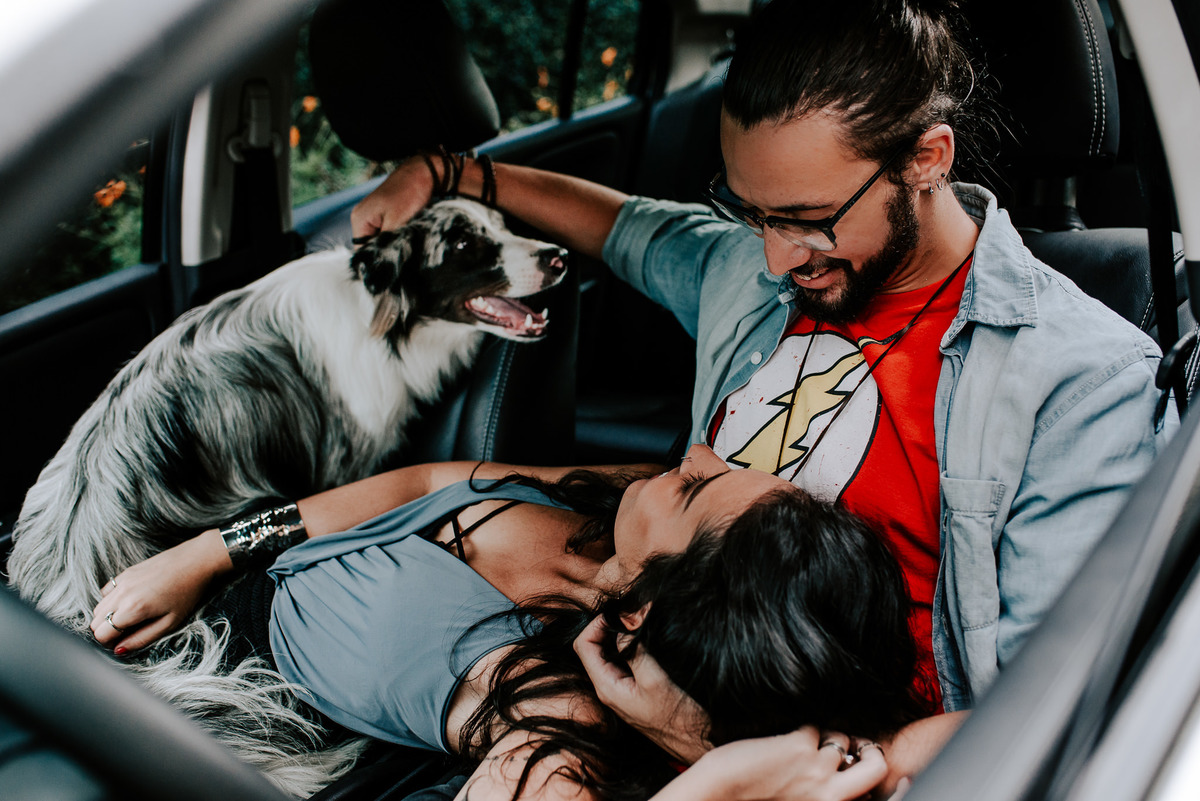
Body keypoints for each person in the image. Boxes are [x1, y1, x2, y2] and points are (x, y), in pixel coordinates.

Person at [350, 0, 1176, 790]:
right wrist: (449, 173)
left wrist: (720, 748)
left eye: (809, 218)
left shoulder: (1076, 382)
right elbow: (623, 225)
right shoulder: (748, 272)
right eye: (752, 214)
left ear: (927, 158)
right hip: (618, 723)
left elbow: (1060, 701)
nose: (778, 257)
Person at [92, 445, 924, 800]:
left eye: (699, 487)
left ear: (645, 607)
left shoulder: (555, 733)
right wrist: (210, 553)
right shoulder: (629, 500)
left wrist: (710, 777)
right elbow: (421, 481)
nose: (702, 454)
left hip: (218, 680)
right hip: (213, 573)